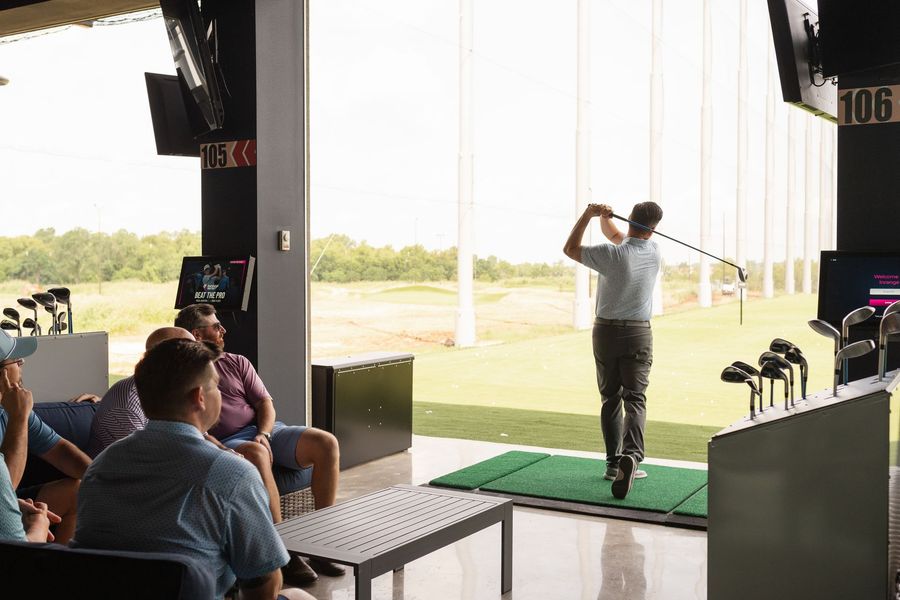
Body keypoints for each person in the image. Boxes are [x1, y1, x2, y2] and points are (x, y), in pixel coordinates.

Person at [73, 338, 313, 600]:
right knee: (300, 596)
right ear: (200, 397)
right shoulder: (233, 474)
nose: (219, 394)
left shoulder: (101, 465)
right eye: (216, 387)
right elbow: (263, 581)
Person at [175, 303, 344, 582]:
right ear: (197, 334)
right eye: (216, 326)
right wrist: (227, 445)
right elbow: (189, 423)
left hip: (264, 431)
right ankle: (282, 550)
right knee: (255, 453)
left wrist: (264, 433)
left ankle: (320, 545)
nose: (223, 330)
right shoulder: (184, 373)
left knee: (325, 442)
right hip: (228, 441)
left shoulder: (237, 362)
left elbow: (265, 402)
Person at [563, 202, 663, 500]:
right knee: (635, 398)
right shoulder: (654, 251)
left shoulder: (611, 255)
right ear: (653, 229)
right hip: (638, 333)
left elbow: (571, 248)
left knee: (611, 398)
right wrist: (606, 220)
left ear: (630, 219)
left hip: (605, 331)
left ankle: (612, 463)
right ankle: (631, 456)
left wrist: (588, 216)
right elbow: (620, 235)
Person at [0, 329, 91, 543]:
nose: (22, 365)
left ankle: (56, 569)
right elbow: (6, 485)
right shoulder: (17, 410)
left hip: (12, 500)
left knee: (78, 490)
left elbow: (60, 451)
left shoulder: (10, 407)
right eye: (16, 361)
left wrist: (101, 479)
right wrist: (19, 418)